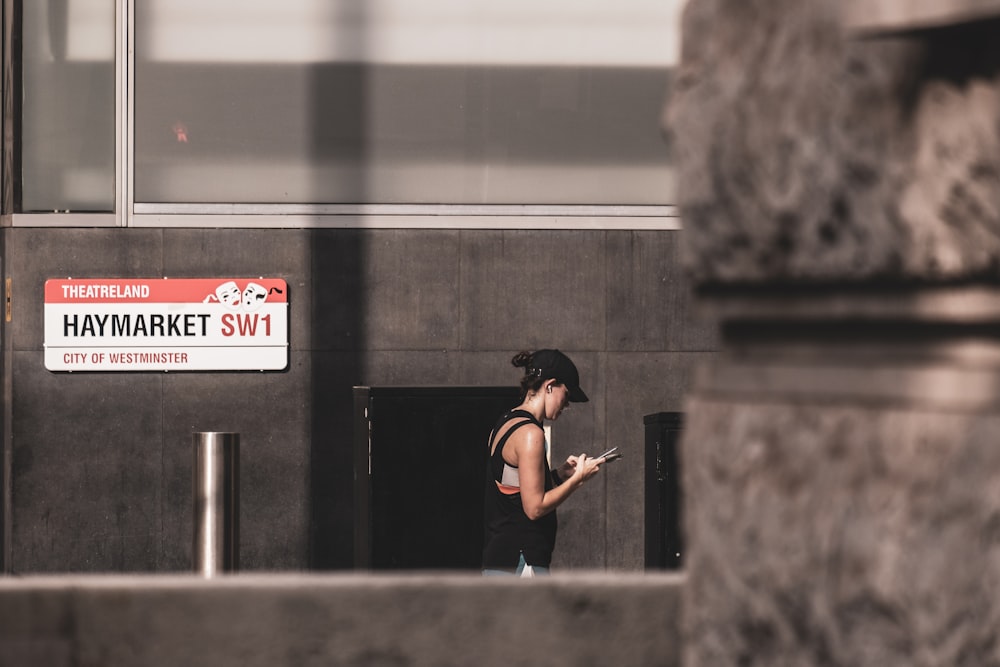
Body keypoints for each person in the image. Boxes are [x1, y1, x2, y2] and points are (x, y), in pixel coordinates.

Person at [482, 349, 605, 576]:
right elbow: (535, 508)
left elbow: (514, 490)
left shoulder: (505, 422)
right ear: (549, 386)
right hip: (522, 561)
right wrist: (579, 479)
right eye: (566, 395)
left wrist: (559, 475)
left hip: (501, 560)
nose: (566, 405)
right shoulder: (531, 434)